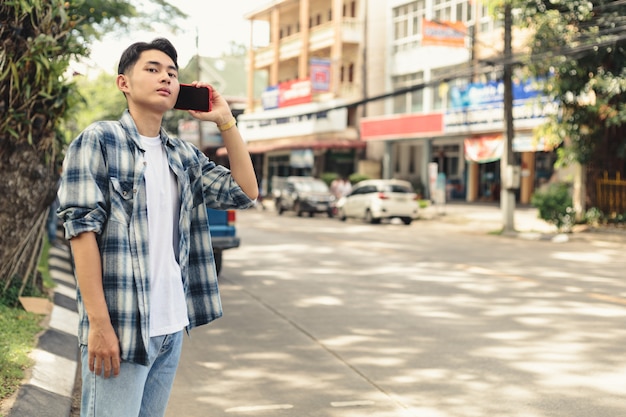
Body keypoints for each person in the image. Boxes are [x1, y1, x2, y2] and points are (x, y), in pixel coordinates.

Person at [56, 38, 258, 417]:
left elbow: (245, 193)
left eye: (172, 72)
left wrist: (225, 121)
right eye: (152, 69)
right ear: (124, 83)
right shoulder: (99, 141)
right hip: (122, 327)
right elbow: (82, 234)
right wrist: (99, 326)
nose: (165, 76)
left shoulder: (183, 155)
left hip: (171, 328)